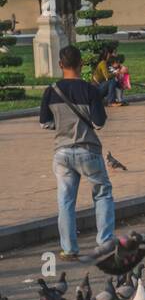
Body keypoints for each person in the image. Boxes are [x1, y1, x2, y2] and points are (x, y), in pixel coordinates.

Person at [39, 45, 114, 260]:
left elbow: (45, 123)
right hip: (88, 149)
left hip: (62, 153)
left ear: (60, 65)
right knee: (102, 193)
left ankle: (69, 249)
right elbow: (99, 123)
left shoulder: (51, 90)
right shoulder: (90, 90)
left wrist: (62, 125)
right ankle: (104, 242)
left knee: (65, 200)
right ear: (81, 64)